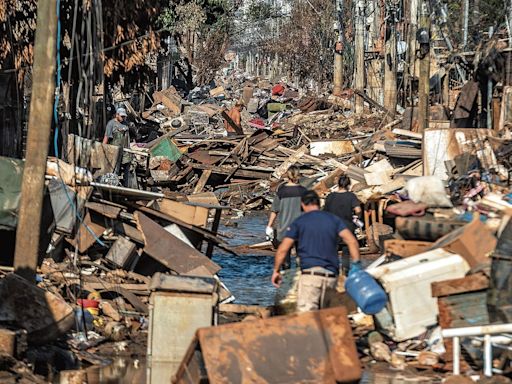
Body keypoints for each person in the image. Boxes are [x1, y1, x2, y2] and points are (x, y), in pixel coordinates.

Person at [271, 190, 361, 312]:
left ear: (303, 205)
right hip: (331, 278)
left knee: (309, 320)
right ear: (319, 204)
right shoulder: (333, 220)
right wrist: (356, 265)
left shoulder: (300, 222)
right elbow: (352, 242)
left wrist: (276, 271)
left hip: (310, 277)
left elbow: (283, 249)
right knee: (326, 318)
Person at [266, 165, 307, 270]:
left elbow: (274, 210)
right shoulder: (303, 191)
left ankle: (286, 283)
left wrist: (269, 226)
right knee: (300, 261)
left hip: (284, 230)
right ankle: (299, 283)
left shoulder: (281, 191)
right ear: (298, 175)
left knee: (285, 261)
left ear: (287, 176)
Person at [324, 175, 362, 276]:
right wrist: (356, 217)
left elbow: (325, 213)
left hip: (333, 228)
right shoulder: (351, 196)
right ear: (348, 184)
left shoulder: (330, 196)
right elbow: (358, 210)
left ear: (338, 184)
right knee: (346, 252)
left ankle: (333, 273)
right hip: (347, 228)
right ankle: (345, 273)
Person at [103, 107, 133, 187]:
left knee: (127, 171)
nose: (123, 118)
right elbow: (106, 137)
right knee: (115, 170)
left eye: (124, 116)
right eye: (122, 116)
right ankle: (113, 187)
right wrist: (103, 149)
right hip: (115, 152)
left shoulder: (126, 124)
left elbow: (132, 137)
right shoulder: (111, 124)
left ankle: (126, 188)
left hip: (126, 151)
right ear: (117, 115)